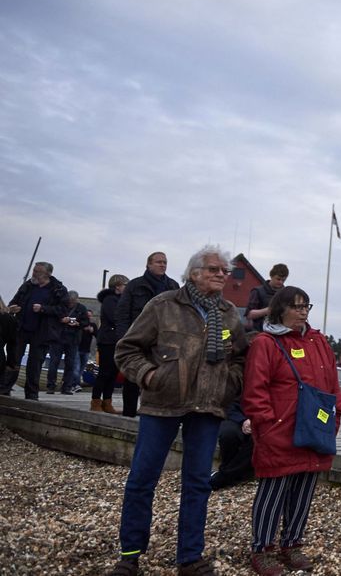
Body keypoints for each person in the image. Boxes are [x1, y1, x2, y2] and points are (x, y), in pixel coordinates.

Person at [109, 245, 249, 576]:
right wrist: (152, 376)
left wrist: (230, 383)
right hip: (162, 405)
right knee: (142, 478)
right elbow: (127, 350)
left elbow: (241, 357)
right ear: (194, 273)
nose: (221, 275)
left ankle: (190, 558)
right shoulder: (163, 305)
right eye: (214, 269)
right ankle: (129, 555)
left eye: (224, 271)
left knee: (198, 482)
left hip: (208, 408)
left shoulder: (229, 313)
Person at [242, 285, 341, 575]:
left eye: (306, 306)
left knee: (304, 488)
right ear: (280, 309)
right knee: (273, 489)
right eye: (296, 306)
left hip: (316, 428)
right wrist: (267, 422)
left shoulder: (319, 341)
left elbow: (333, 384)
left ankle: (292, 543)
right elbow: (255, 389)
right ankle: (262, 548)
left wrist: (336, 416)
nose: (302, 312)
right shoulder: (266, 343)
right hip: (280, 428)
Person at [116, 252, 181, 416]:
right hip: (139, 338)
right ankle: (129, 413)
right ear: (149, 264)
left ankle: (155, 412)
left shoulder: (173, 286)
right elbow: (123, 312)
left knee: (161, 377)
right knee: (133, 377)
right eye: (158, 262)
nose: (162, 265)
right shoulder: (135, 285)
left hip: (164, 341)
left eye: (165, 262)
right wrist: (124, 337)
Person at [5, 261, 69, 400]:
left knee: (35, 363)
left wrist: (43, 308)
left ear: (48, 274)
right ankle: (4, 389)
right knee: (13, 359)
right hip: (21, 328)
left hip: (42, 331)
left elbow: (63, 310)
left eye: (37, 272)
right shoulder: (28, 285)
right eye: (34, 270)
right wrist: (12, 307)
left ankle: (31, 394)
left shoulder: (58, 289)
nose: (34, 274)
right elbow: (14, 301)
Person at [93, 274, 129, 413]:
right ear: (118, 286)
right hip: (108, 340)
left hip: (116, 340)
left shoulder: (122, 300)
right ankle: (96, 400)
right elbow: (115, 317)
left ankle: (107, 401)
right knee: (104, 372)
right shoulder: (109, 300)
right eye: (125, 285)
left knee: (113, 372)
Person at [47, 290, 90, 394]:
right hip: (58, 337)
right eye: (70, 301)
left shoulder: (81, 308)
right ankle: (51, 386)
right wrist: (62, 320)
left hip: (73, 339)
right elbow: (52, 316)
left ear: (77, 300)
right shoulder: (60, 306)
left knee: (70, 364)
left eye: (73, 301)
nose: (71, 303)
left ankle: (67, 387)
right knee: (54, 362)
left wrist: (77, 324)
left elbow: (86, 322)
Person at [210, 399, 254, 491]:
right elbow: (228, 403)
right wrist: (243, 420)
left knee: (259, 440)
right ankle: (232, 473)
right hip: (236, 417)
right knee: (228, 434)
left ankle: (223, 477)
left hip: (262, 420)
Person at [245, 264, 288, 333]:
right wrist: (269, 310)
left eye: (283, 280)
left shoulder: (286, 294)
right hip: (259, 332)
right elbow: (249, 315)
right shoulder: (257, 291)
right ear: (271, 276)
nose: (281, 282)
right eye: (278, 279)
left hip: (280, 333)